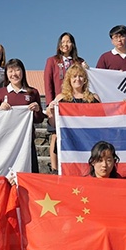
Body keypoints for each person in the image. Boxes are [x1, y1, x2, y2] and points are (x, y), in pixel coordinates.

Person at [44, 33, 89, 173]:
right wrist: (49, 104)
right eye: (63, 42)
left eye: (69, 42)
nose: (66, 44)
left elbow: (87, 79)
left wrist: (87, 68)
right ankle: (54, 167)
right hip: (59, 102)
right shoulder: (52, 61)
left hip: (76, 104)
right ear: (59, 45)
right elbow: (48, 82)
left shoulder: (79, 61)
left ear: (73, 44)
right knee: (55, 135)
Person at [0, 59, 45, 173]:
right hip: (6, 141)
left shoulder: (32, 92)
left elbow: (39, 119)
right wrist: (0, 110)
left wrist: (37, 110)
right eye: (10, 71)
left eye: (17, 70)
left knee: (29, 173)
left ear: (23, 72)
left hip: (26, 140)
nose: (14, 74)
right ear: (6, 73)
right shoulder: (1, 93)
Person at [45, 64, 101, 165]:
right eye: (74, 76)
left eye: (80, 76)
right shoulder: (60, 98)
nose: (77, 79)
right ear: (69, 80)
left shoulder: (94, 98)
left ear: (85, 79)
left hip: (89, 142)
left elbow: (101, 121)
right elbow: (53, 126)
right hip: (69, 144)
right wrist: (51, 112)